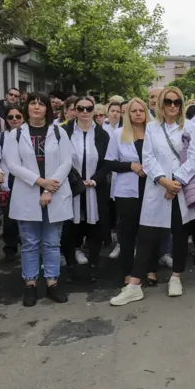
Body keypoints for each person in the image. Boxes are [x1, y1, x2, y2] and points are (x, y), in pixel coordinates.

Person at [3, 91, 74, 307]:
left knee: (52, 242)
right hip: (27, 193)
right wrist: (40, 182)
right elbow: (13, 165)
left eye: (41, 104)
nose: (36, 107)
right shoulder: (15, 135)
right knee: (30, 243)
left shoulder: (59, 133)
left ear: (47, 109)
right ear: (26, 108)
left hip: (55, 192)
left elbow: (66, 162)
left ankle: (52, 282)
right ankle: (30, 284)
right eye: (32, 103)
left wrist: (49, 187)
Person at [135, 87, 195, 296]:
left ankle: (176, 277)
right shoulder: (152, 128)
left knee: (180, 233)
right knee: (148, 233)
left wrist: (176, 182)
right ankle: (136, 282)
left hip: (180, 188)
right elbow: (148, 158)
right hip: (158, 188)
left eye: (177, 102)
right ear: (161, 104)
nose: (173, 106)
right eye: (168, 102)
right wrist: (164, 181)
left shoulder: (190, 127)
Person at [108, 98, 153, 306]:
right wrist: (131, 166)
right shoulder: (118, 134)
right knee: (127, 234)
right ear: (128, 114)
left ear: (145, 112)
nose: (137, 114)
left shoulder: (154, 132)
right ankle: (128, 273)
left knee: (149, 231)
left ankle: (149, 269)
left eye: (140, 110)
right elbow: (110, 162)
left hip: (150, 188)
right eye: (133, 111)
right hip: (127, 191)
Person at [61, 96, 111, 276]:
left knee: (95, 223)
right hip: (71, 185)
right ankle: (70, 259)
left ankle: (94, 262)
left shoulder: (102, 134)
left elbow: (108, 162)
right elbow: (60, 159)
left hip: (95, 187)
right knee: (70, 223)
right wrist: (75, 179)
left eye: (88, 108)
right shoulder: (64, 132)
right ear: (74, 110)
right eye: (80, 108)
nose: (84, 112)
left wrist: (95, 179)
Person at [0, 104, 23, 261]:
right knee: (10, 219)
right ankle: (10, 248)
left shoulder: (29, 135)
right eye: (10, 117)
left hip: (29, 182)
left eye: (18, 116)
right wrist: (0, 178)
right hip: (8, 183)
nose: (14, 120)